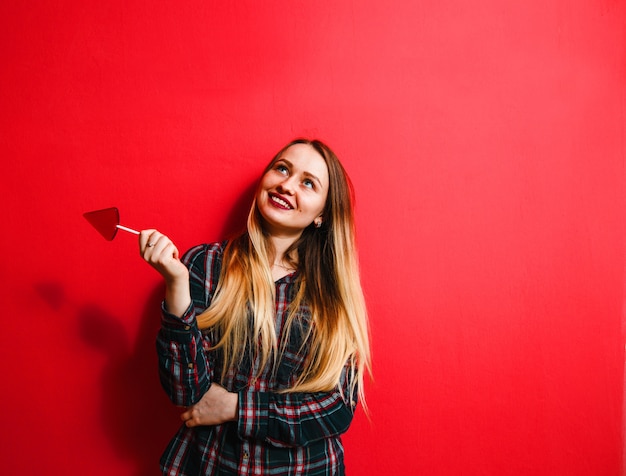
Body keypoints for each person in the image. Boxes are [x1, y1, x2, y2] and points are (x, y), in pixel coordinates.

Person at [139, 138, 371, 475]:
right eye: (282, 168)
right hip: (211, 465)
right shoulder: (205, 265)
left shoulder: (334, 294)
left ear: (322, 214)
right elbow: (185, 391)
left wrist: (237, 407)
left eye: (307, 182)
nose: (286, 184)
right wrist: (177, 285)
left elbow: (335, 409)